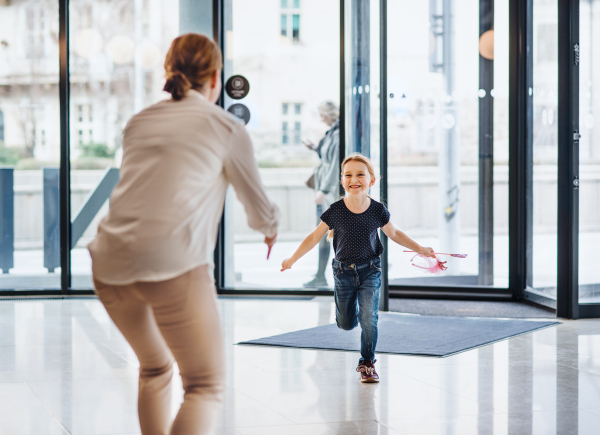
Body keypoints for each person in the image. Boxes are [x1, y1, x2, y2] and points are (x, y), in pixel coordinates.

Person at [88, 34, 279, 435]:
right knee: (204, 385)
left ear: (169, 72)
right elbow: (258, 207)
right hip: (173, 263)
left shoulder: (139, 121)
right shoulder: (225, 127)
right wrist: (269, 229)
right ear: (214, 77)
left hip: (108, 264)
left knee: (155, 367)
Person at [280, 153, 434, 383]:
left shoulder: (377, 210)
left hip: (370, 270)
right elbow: (313, 237)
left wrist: (420, 248)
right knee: (345, 323)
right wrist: (292, 259)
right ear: (342, 180)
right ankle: (351, 317)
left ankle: (367, 363)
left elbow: (395, 234)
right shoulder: (335, 210)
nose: (354, 179)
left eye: (360, 174)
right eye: (348, 175)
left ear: (371, 180)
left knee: (369, 318)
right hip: (343, 273)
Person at [302, 101, 340, 288]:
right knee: (325, 232)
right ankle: (320, 276)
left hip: (330, 193)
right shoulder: (333, 132)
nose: (321, 118)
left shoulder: (338, 134)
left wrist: (323, 191)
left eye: (322, 114)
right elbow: (328, 158)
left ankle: (322, 276)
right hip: (327, 192)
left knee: (328, 232)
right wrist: (316, 148)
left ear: (329, 114)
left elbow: (334, 165)